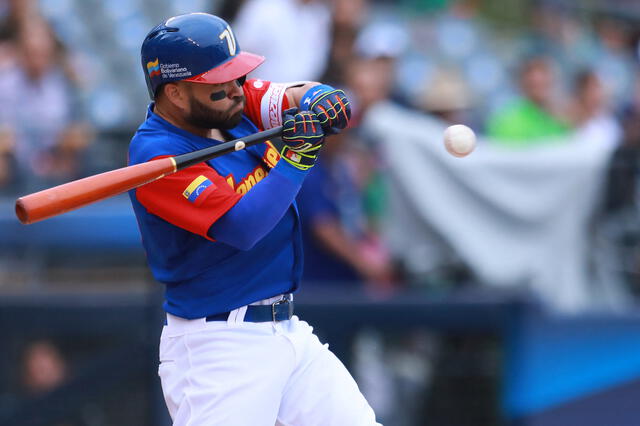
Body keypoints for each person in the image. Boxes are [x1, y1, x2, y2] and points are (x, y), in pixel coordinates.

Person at [127, 13, 380, 426]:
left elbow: (294, 95)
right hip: (219, 346)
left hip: (287, 329)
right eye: (218, 82)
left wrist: (321, 99)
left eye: (235, 75)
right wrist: (295, 161)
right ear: (174, 92)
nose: (234, 88)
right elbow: (242, 227)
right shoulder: (155, 155)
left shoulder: (228, 105)